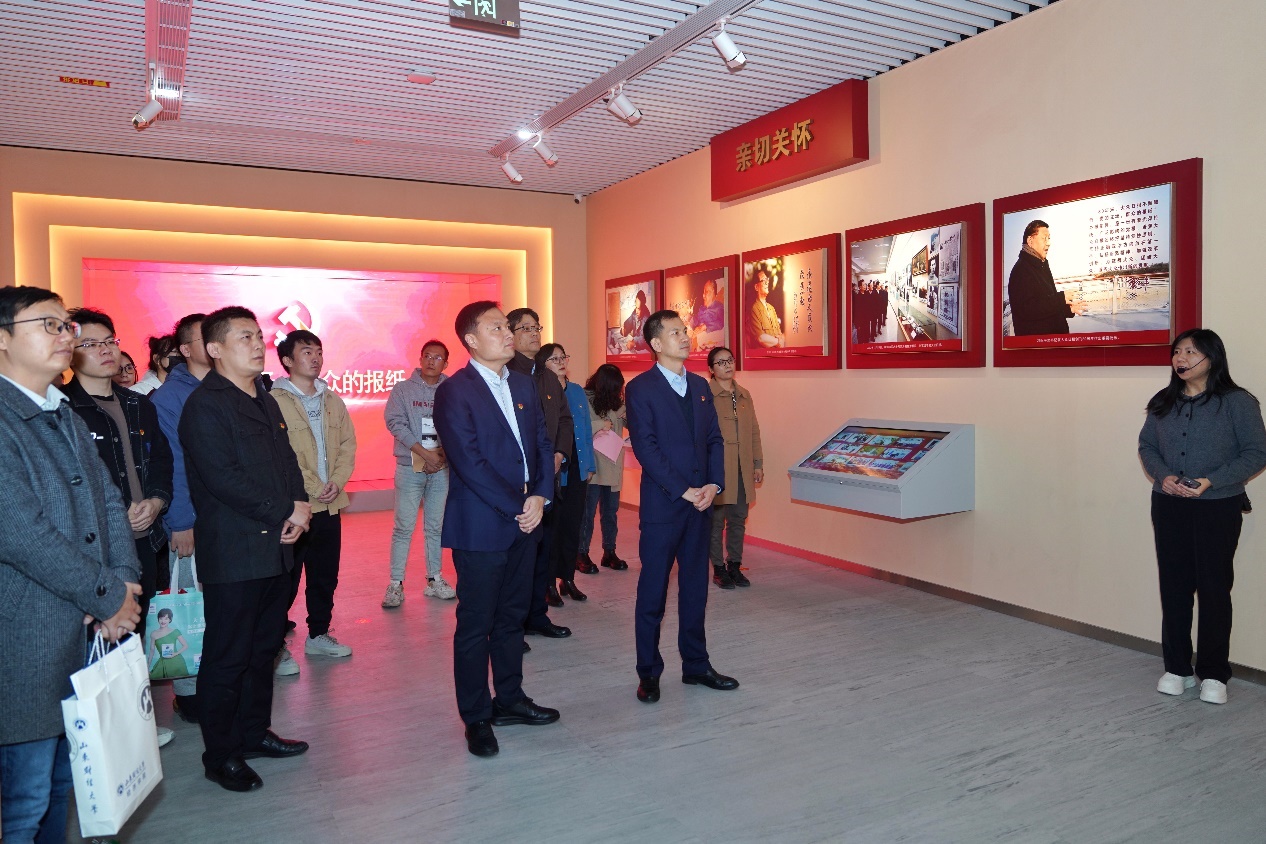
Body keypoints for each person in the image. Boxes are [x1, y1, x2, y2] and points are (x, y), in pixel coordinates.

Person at [0, 286, 142, 844]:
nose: (67, 335)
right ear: (3, 339)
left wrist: (123, 581)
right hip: (25, 632)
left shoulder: (61, 411)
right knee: (26, 799)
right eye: (49, 325)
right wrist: (106, 595)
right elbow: (22, 534)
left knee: (63, 784)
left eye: (68, 326)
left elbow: (108, 501)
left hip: (81, 622)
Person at [180, 306, 311, 792]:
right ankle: (221, 755)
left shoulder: (264, 397)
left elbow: (287, 461)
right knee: (228, 656)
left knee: (263, 649)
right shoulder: (205, 406)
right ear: (214, 349)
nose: (257, 345)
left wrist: (299, 507)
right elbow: (223, 479)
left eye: (258, 336)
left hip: (277, 546)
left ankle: (254, 734)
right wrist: (285, 510)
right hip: (235, 551)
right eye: (244, 338)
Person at [433, 301, 561, 758]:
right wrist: (520, 506)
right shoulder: (455, 391)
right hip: (483, 524)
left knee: (512, 619)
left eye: (508, 326)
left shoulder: (524, 384)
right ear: (471, 340)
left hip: (527, 517)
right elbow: (469, 462)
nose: (508, 333)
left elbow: (542, 444)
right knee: (476, 625)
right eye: (496, 327)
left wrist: (540, 496)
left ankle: (510, 699)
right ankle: (476, 716)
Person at [1138, 328, 1266, 705]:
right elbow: (1147, 445)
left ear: (1213, 357)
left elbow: (1257, 452)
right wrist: (1164, 476)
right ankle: (1177, 668)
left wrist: (1211, 481)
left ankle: (1213, 673)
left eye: (1191, 352)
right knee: (1174, 587)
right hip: (1169, 504)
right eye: (1177, 352)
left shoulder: (1237, 402)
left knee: (1214, 588)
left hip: (1218, 506)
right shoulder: (1163, 402)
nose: (1181, 358)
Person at [625, 309, 738, 705]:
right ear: (656, 344)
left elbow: (714, 440)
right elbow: (646, 447)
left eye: (685, 330)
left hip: (700, 505)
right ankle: (648, 672)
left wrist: (713, 484)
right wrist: (683, 489)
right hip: (664, 507)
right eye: (675, 332)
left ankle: (696, 665)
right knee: (652, 592)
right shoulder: (640, 389)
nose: (685, 337)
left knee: (694, 589)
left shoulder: (700, 385)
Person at [272, 329, 357, 661]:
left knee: (324, 577)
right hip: (295, 507)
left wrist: (337, 480)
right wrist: (314, 485)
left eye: (319, 351)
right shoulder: (273, 401)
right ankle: (275, 646)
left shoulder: (332, 399)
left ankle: (319, 634)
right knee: (286, 579)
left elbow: (348, 444)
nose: (316, 358)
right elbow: (282, 454)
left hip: (330, 505)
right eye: (307, 351)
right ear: (287, 360)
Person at [151, 312, 209, 716]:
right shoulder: (170, 397)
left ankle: (217, 681)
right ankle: (189, 694)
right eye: (206, 337)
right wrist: (181, 522)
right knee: (187, 604)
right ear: (185, 349)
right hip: (191, 520)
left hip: (227, 521)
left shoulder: (231, 387)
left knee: (218, 606)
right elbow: (172, 465)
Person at [506, 307, 573, 637]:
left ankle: (537, 616)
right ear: (511, 334)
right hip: (515, 484)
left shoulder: (547, 377)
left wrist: (560, 453)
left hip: (548, 480)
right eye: (526, 328)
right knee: (516, 557)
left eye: (537, 327)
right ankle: (511, 626)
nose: (534, 333)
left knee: (542, 552)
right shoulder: (504, 374)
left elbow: (564, 419)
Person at [382, 339, 455, 607]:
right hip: (409, 467)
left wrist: (441, 455)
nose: (431, 361)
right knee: (403, 527)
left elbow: (459, 425)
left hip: (441, 469)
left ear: (445, 363)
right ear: (420, 358)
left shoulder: (452, 390)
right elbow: (395, 423)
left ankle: (434, 579)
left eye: (438, 357)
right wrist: (425, 454)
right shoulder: (402, 389)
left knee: (435, 527)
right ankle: (395, 584)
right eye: (427, 356)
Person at [536, 343, 596, 602]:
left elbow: (586, 430)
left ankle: (567, 579)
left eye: (563, 357)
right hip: (554, 470)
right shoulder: (539, 391)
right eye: (554, 359)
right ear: (543, 364)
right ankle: (548, 582)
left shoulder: (577, 391)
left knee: (573, 526)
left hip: (578, 467)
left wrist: (590, 465)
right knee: (553, 528)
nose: (561, 362)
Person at [706, 346, 763, 589]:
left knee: (738, 518)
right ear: (711, 369)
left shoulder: (744, 395)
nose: (727, 365)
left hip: (741, 467)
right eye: (720, 362)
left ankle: (734, 565)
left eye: (730, 360)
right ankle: (718, 568)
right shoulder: (705, 395)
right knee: (716, 521)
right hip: (718, 468)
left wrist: (757, 463)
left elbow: (754, 431)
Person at [581, 364, 629, 572]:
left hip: (613, 464)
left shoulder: (618, 403)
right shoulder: (585, 399)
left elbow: (632, 424)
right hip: (593, 465)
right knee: (587, 514)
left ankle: (609, 552)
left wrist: (630, 412)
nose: (618, 391)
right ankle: (581, 554)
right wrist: (601, 424)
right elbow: (578, 426)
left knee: (610, 513)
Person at [1007, 219, 1088, 336]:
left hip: (1052, 341)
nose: (1048, 243)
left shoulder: (1041, 264)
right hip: (1037, 344)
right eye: (1044, 238)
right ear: (1030, 241)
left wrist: (1068, 309)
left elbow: (1045, 304)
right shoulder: (1021, 270)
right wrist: (1061, 299)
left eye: (1049, 238)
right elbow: (1027, 310)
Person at [748, 266, 785, 348]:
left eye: (767, 280)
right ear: (756, 287)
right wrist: (778, 342)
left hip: (777, 353)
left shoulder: (771, 308)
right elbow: (761, 338)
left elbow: (780, 335)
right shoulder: (754, 308)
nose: (767, 283)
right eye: (763, 280)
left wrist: (781, 339)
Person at [149, 607, 191, 680]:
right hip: (163, 662)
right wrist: (147, 666)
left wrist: (175, 653)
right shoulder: (154, 634)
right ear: (158, 619)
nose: (163, 621)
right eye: (161, 618)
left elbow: (185, 645)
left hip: (177, 662)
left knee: (181, 683)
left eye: (166, 619)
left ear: (170, 620)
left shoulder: (175, 631)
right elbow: (152, 651)